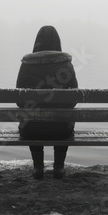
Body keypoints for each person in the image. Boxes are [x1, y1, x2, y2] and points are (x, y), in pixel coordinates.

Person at [16, 25, 78, 179]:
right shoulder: (66, 64)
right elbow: (74, 98)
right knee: (64, 117)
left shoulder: (26, 64)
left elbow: (19, 100)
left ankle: (38, 167)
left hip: (31, 131)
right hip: (62, 130)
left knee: (31, 118)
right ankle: (59, 167)